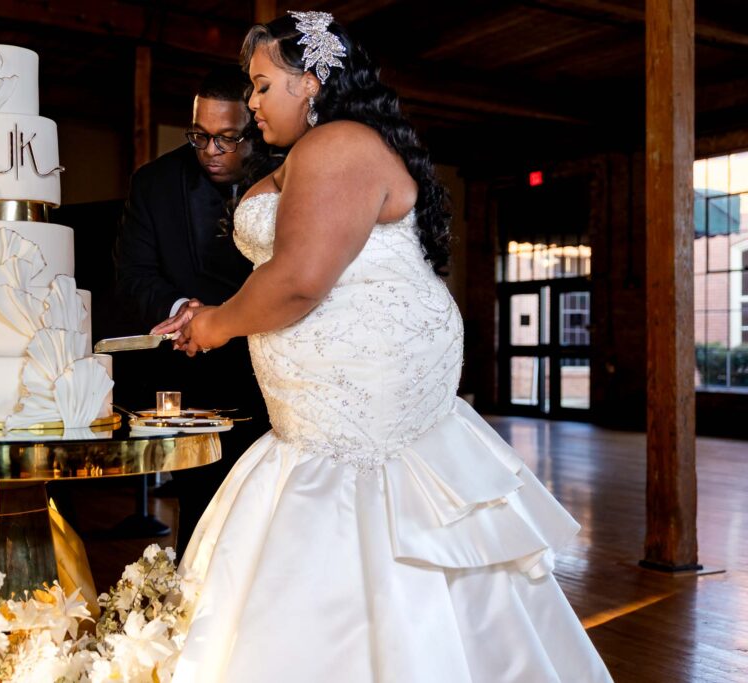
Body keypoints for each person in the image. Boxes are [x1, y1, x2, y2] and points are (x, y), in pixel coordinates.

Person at [152, 12, 613, 682]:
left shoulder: (338, 143)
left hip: (363, 412)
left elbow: (301, 279)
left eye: (260, 85)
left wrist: (217, 324)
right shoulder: (313, 152)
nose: (250, 104)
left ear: (310, 81)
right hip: (317, 415)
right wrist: (214, 309)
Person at [114, 66, 270, 555]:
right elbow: (134, 274)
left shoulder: (289, 170)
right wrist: (185, 310)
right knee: (203, 515)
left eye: (227, 138)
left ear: (253, 126)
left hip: (275, 372)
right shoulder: (154, 183)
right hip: (195, 373)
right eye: (200, 136)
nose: (211, 152)